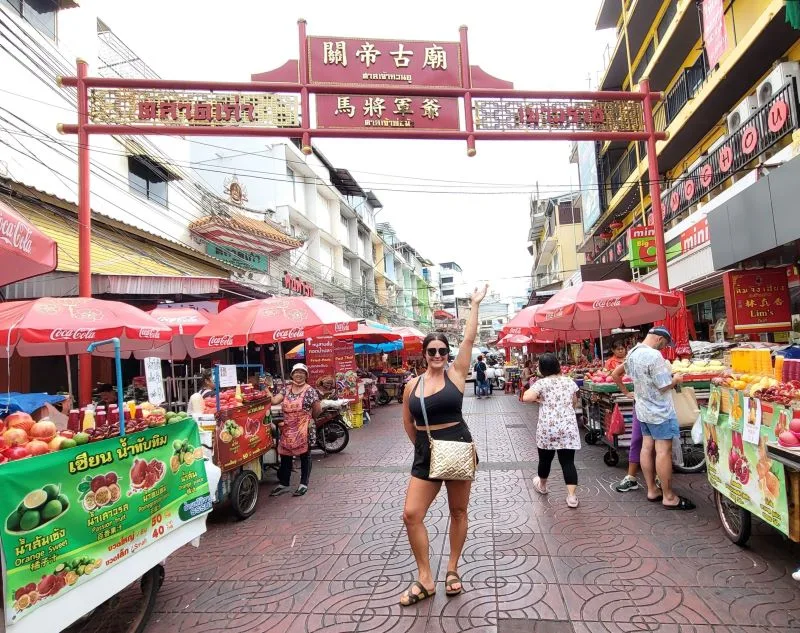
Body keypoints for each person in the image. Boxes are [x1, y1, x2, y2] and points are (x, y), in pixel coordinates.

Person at [399, 285, 487, 606]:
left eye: (442, 351)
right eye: (432, 351)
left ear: (447, 353)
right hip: (428, 451)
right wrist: (424, 447)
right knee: (411, 514)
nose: (437, 355)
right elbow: (408, 423)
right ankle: (425, 578)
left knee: (458, 510)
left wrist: (474, 305)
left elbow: (469, 339)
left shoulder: (457, 373)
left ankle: (452, 569)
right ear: (424, 355)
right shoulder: (412, 385)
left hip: (458, 447)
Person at [611, 327, 695, 510]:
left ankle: (652, 490)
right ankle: (669, 496)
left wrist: (627, 393)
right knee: (663, 450)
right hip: (660, 411)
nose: (664, 348)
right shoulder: (654, 356)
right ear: (658, 339)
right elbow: (663, 386)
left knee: (646, 447)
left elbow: (616, 374)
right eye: (664, 344)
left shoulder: (632, 353)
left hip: (643, 410)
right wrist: (677, 379)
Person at [523, 353, 581, 508]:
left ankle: (542, 486)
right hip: (568, 427)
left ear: (541, 368)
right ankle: (572, 497)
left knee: (545, 459)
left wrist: (538, 399)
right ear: (557, 365)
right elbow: (574, 401)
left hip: (547, 429)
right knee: (568, 462)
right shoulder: (569, 381)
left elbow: (526, 397)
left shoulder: (541, 384)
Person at [268, 363, 321, 498]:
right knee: (285, 456)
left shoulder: (310, 391)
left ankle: (303, 484)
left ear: (306, 375)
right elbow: (274, 401)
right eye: (296, 372)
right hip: (288, 428)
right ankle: (284, 484)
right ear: (291, 375)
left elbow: (317, 409)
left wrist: (309, 419)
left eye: (302, 372)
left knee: (305, 456)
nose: (299, 374)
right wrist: (265, 388)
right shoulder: (286, 390)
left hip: (304, 428)